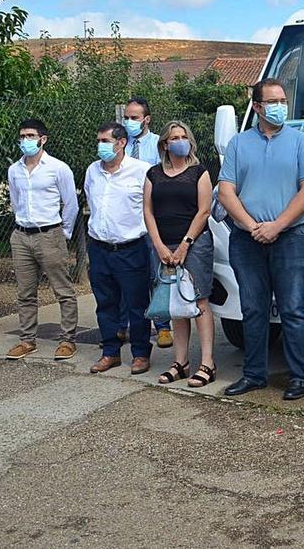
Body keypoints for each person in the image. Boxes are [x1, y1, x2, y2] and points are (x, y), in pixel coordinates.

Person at [218, 78, 304, 400]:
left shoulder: (301, 142)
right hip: (247, 239)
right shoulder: (238, 144)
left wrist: (277, 225)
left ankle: (300, 376)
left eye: (283, 101)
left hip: (292, 237)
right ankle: (254, 375)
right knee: (252, 309)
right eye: (273, 101)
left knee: (292, 310)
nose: (280, 107)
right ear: (258, 106)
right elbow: (225, 191)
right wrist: (251, 226)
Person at [143, 120, 217, 387]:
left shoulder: (199, 172)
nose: (179, 141)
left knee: (199, 301)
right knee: (176, 304)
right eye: (174, 137)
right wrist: (159, 245)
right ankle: (181, 362)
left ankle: (207, 363)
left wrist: (186, 244)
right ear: (165, 143)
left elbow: (204, 210)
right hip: (164, 245)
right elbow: (148, 212)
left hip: (195, 244)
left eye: (183, 136)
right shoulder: (153, 174)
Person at [5, 119, 80, 361]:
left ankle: (68, 339)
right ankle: (27, 340)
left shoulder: (58, 168)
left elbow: (71, 204)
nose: (25, 140)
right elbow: (15, 201)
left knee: (63, 290)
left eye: (30, 135)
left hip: (50, 234)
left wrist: (62, 233)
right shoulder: (14, 170)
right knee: (25, 292)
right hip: (21, 235)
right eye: (22, 136)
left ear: (42, 139)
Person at [85, 121, 154, 374]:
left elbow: (151, 208)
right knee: (105, 303)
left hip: (131, 248)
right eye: (99, 141)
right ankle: (110, 352)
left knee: (137, 305)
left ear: (121, 142)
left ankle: (140, 354)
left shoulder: (142, 171)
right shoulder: (93, 171)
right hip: (100, 248)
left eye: (105, 141)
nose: (100, 146)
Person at [124, 97, 172, 349]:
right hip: (126, 221)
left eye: (134, 118)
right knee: (127, 277)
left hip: (153, 219)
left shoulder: (158, 146)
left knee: (157, 274)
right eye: (126, 117)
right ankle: (124, 325)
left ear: (147, 119)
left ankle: (163, 326)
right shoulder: (119, 145)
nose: (129, 122)